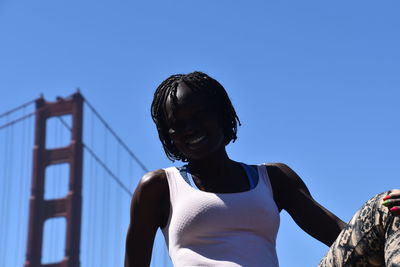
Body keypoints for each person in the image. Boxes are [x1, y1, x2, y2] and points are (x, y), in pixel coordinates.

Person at [125, 71, 400, 267]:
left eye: (199, 116)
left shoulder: (274, 179)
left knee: (386, 207)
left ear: (221, 115)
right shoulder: (158, 187)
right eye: (179, 125)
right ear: (168, 135)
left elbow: (345, 238)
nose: (191, 129)